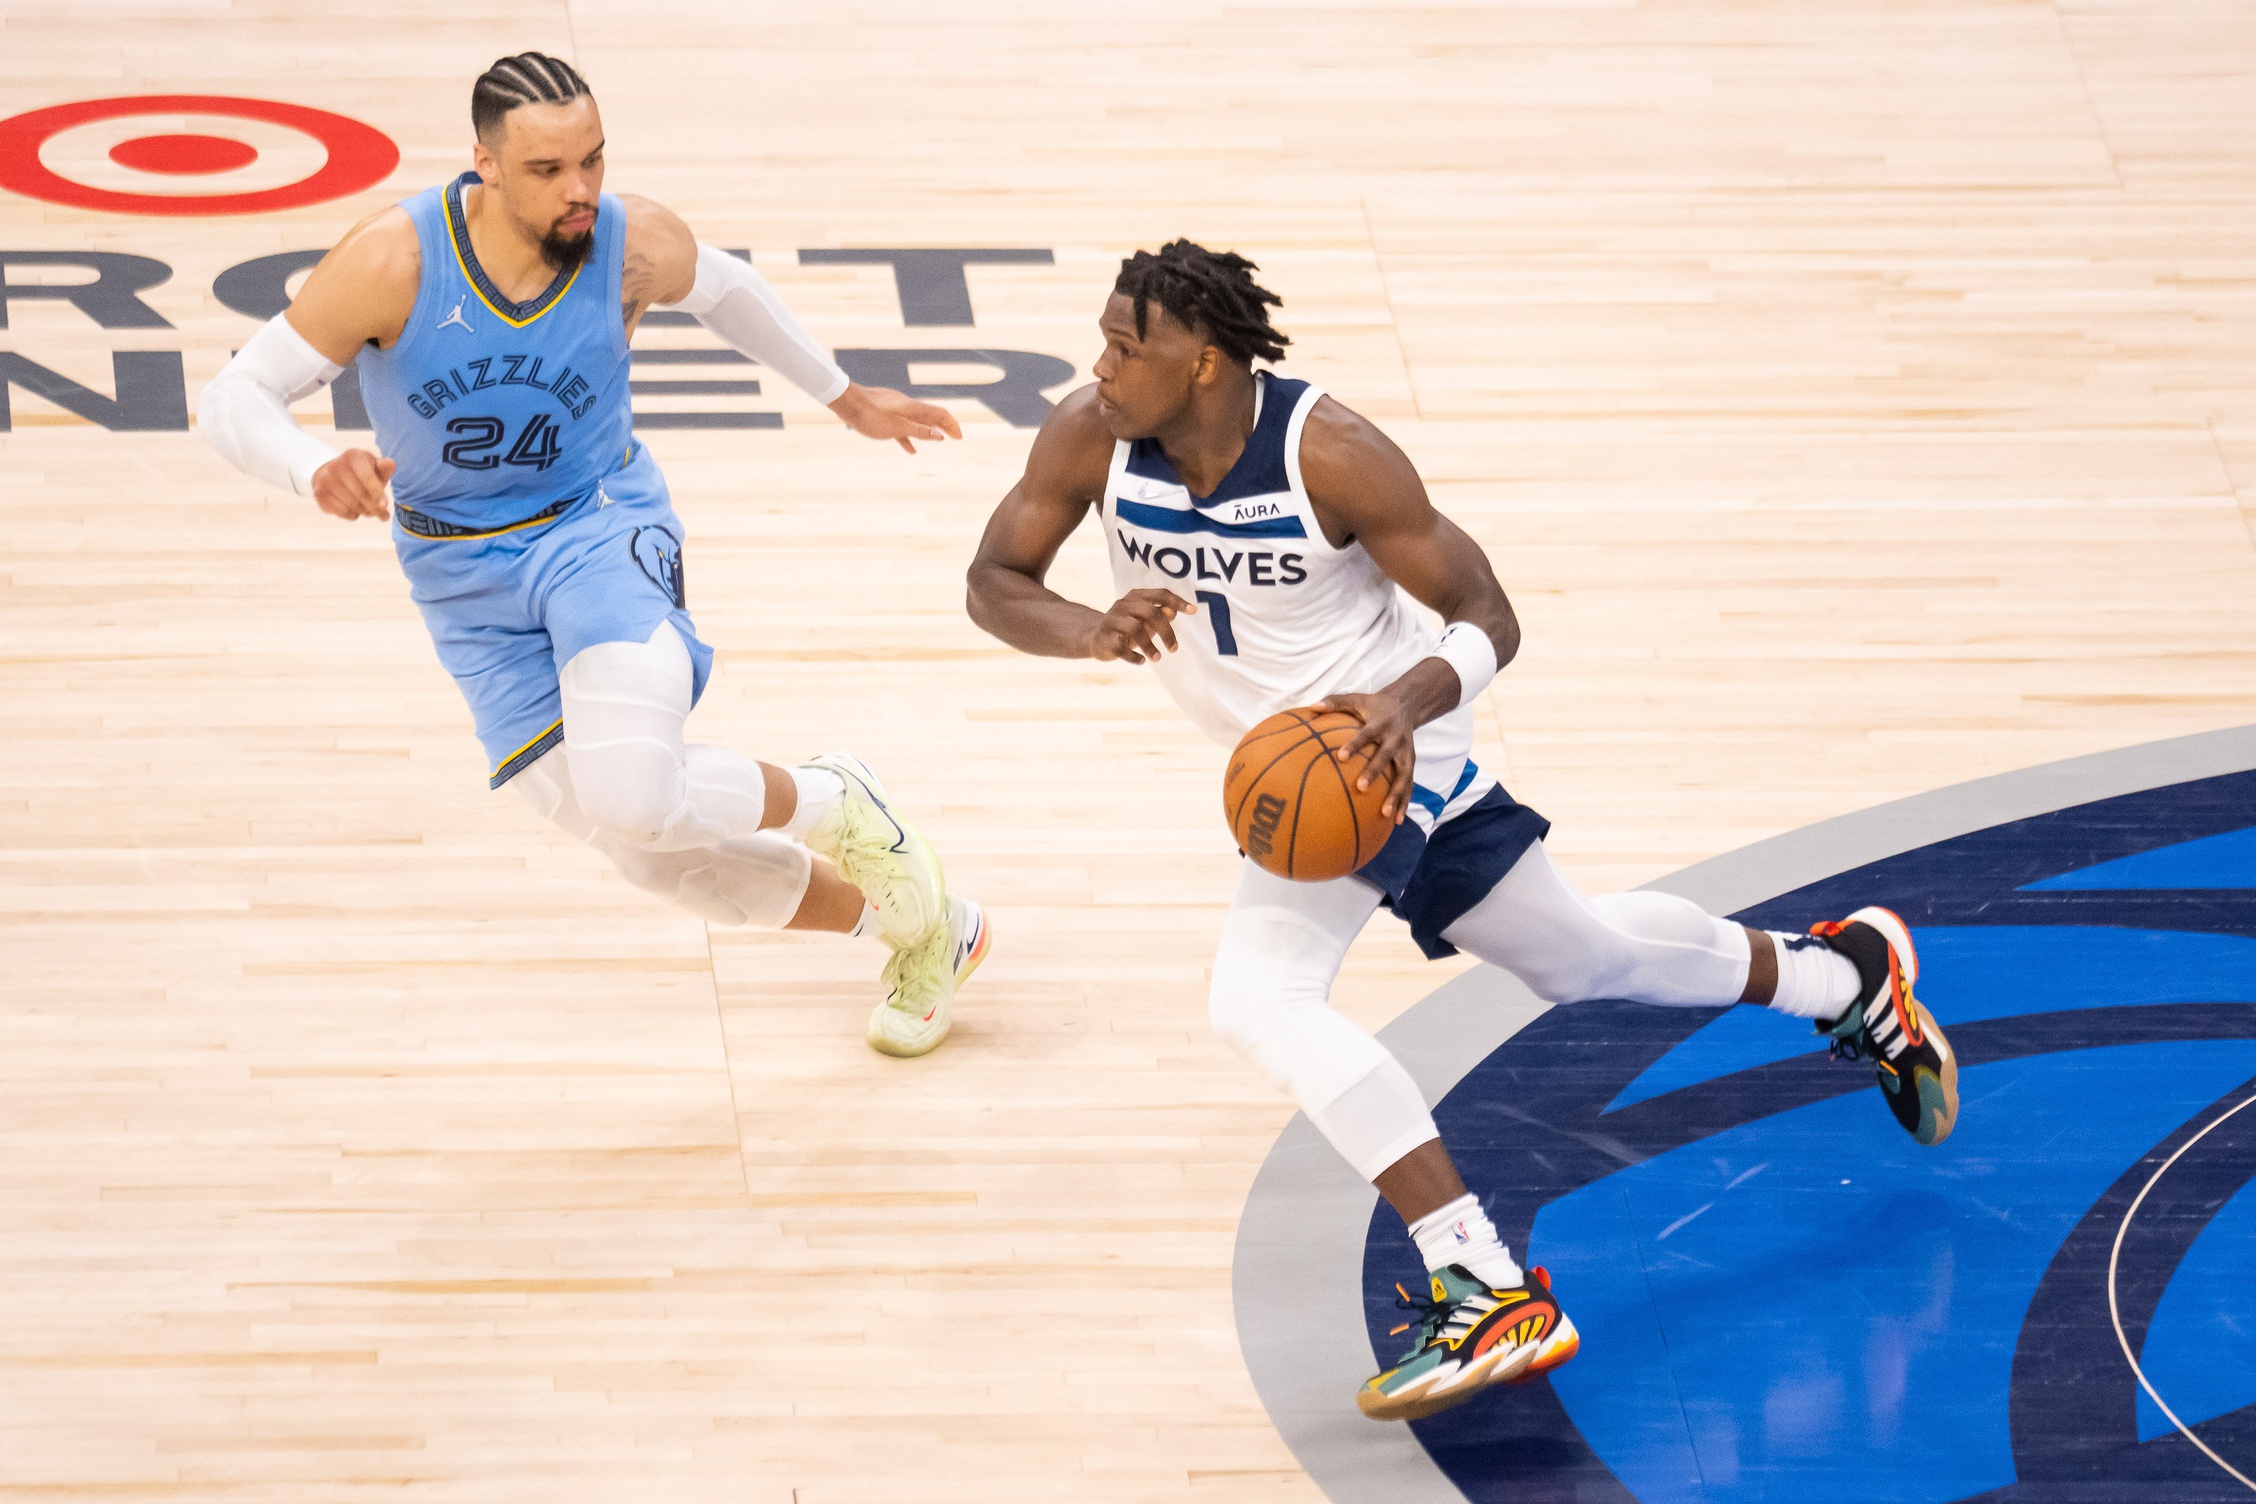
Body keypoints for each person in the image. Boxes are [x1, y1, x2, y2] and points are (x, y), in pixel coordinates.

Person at [964, 240, 1960, 1420]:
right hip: (1305, 766)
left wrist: (1405, 702)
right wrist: (1083, 627)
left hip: (1379, 751)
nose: (1101, 365)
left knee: (1260, 999)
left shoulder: (1331, 452)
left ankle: (1481, 1281)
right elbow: (993, 579)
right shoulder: (1090, 435)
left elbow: (1488, 614)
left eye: (1127, 347)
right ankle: (1846, 977)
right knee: (1580, 956)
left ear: (1207, 362)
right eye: (1104, 342)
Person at [199, 52, 987, 1058]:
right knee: (656, 857)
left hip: (599, 525)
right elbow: (235, 396)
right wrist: (311, 466)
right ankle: (928, 930)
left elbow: (728, 289)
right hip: (461, 578)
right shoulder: (395, 262)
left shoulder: (630, 243)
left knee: (636, 796)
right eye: (547, 169)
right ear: (484, 163)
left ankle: (838, 799)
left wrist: (846, 397)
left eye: (593, 159)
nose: (580, 189)